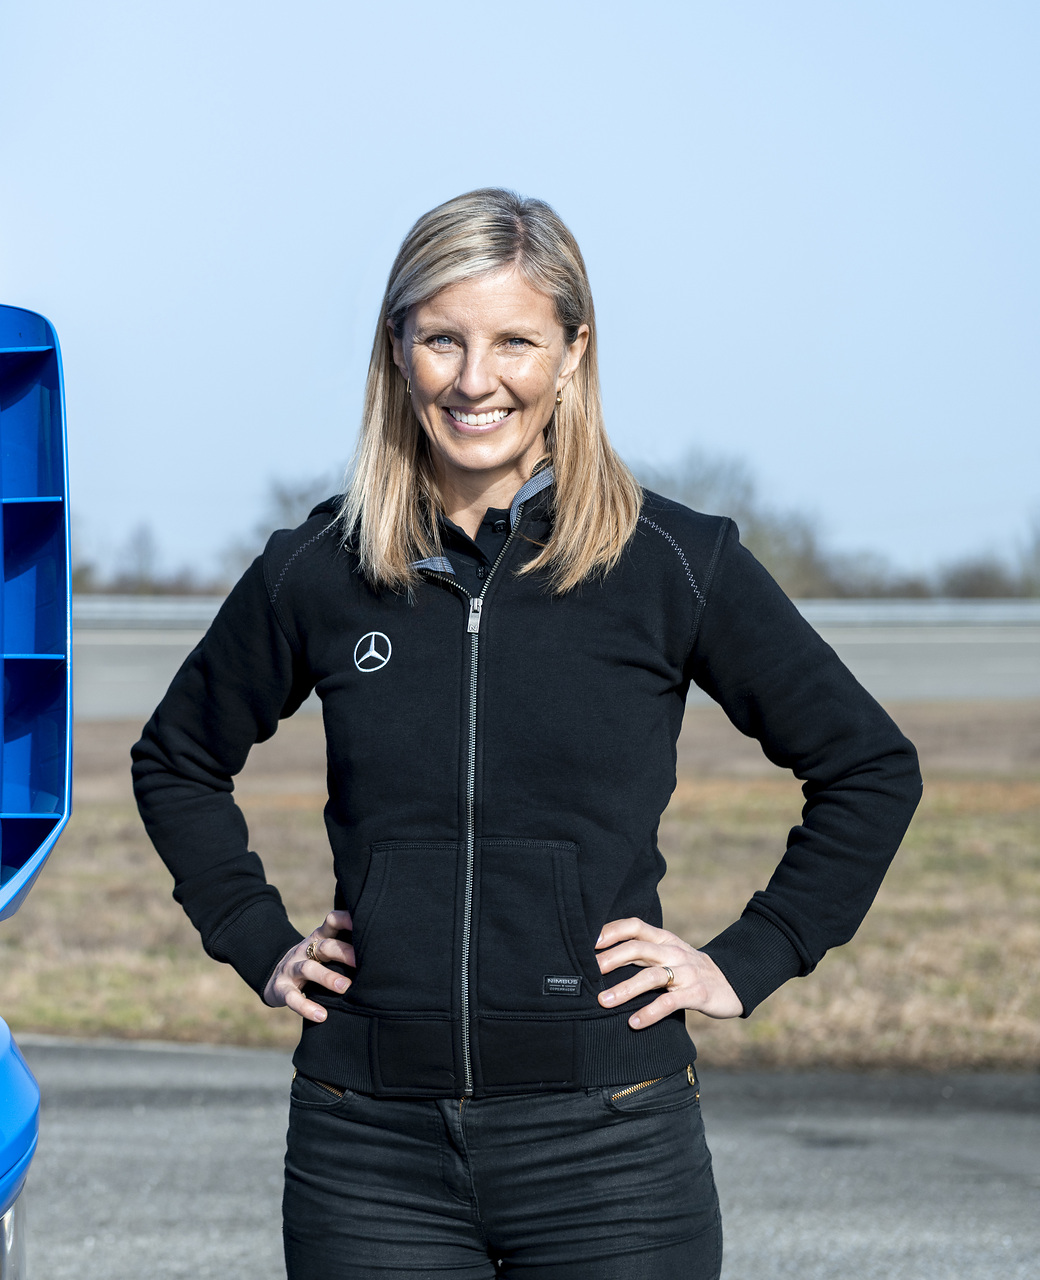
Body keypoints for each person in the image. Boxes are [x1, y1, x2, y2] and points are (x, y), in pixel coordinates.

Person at [129, 187, 921, 1279]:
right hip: (368, 1148)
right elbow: (175, 758)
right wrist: (258, 939)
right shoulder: (317, 569)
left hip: (611, 1147)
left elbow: (868, 765)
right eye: (442, 337)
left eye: (515, 341)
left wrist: (748, 958)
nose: (474, 378)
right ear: (396, 347)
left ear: (572, 352)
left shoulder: (673, 563)